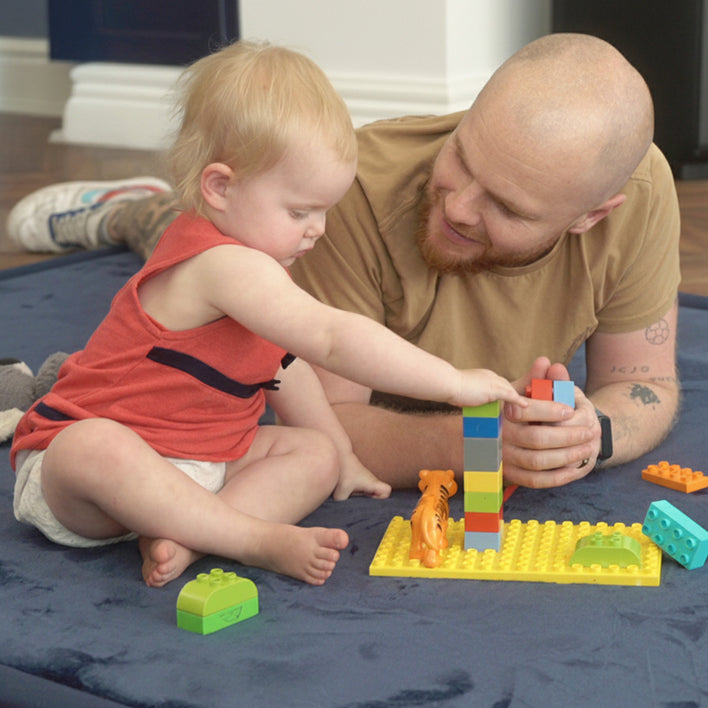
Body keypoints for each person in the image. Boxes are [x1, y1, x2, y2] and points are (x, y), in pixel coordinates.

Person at [7, 33, 681, 491]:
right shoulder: (340, 199)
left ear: (592, 214)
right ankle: (132, 211)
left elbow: (645, 384)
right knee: (208, 247)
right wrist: (480, 437)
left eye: (508, 206)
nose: (459, 207)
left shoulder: (638, 189)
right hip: (236, 247)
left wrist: (589, 434)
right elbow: (324, 386)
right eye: (463, 157)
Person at [9, 40, 527, 589]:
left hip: (199, 465)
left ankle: (187, 535)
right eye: (300, 211)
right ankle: (247, 538)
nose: (318, 229)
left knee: (315, 453)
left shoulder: (262, 270)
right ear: (221, 188)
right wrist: (451, 380)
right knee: (93, 446)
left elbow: (287, 368)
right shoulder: (220, 266)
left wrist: (343, 456)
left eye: (326, 210)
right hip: (84, 484)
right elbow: (329, 338)